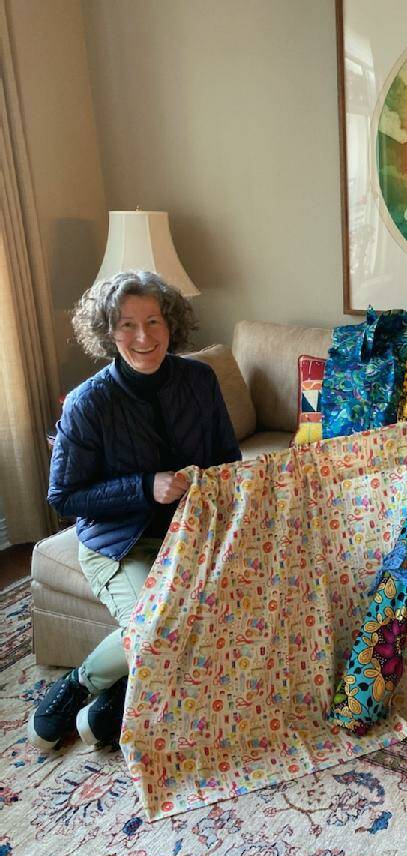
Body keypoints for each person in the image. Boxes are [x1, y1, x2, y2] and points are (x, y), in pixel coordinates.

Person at [28, 271, 241, 750]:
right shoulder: (88, 403)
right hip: (119, 544)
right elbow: (65, 495)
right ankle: (81, 684)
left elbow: (227, 460)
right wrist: (145, 487)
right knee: (162, 618)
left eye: (153, 321)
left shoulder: (200, 380)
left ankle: (125, 690)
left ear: (171, 324)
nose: (143, 337)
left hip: (189, 537)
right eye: (126, 325)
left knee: (224, 612)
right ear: (108, 331)